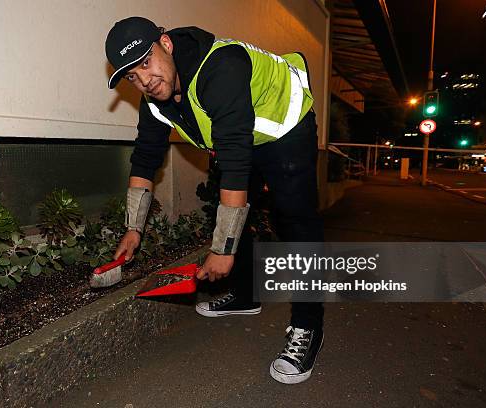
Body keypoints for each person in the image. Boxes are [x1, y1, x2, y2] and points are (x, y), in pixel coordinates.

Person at [106, 16, 324, 384]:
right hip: (240, 137)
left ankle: (308, 326)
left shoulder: (219, 67)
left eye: (145, 62)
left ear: (166, 44)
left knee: (295, 221)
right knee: (232, 211)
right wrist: (133, 229)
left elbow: (236, 157)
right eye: (131, 76)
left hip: (285, 126)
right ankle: (245, 295)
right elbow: (145, 156)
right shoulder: (155, 98)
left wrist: (222, 249)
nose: (144, 80)